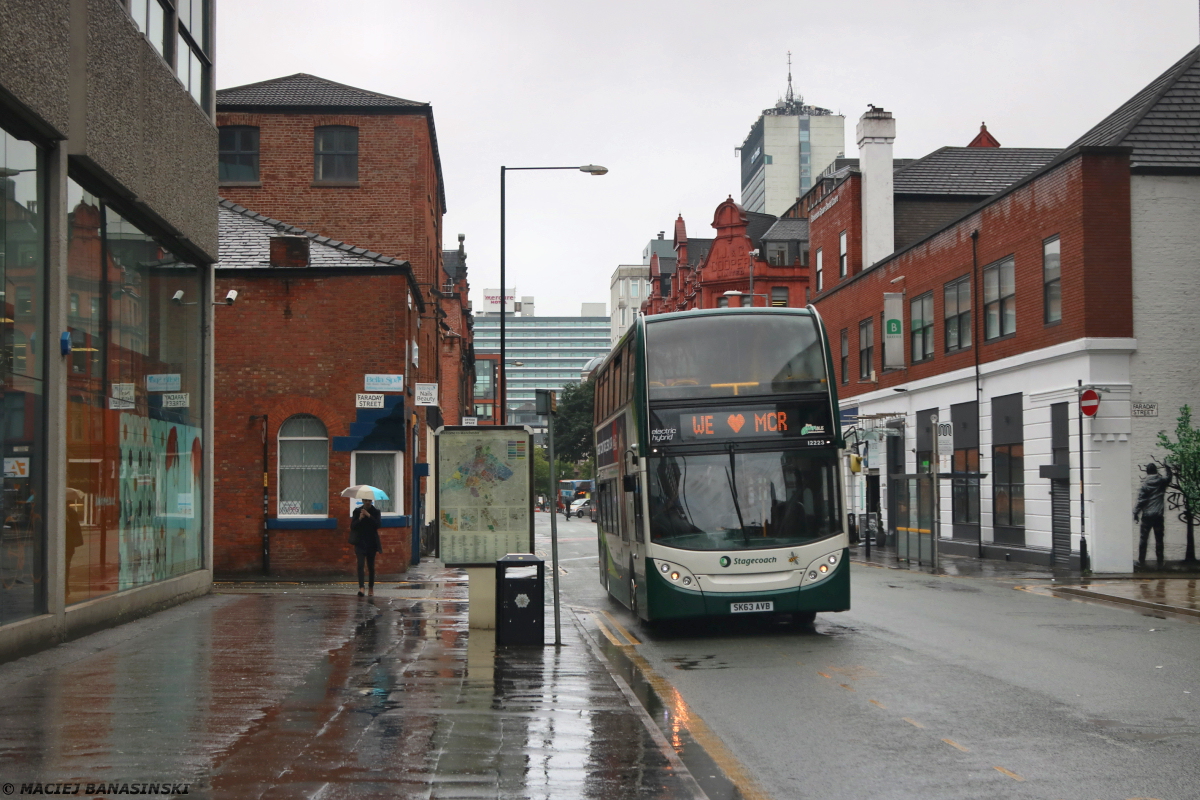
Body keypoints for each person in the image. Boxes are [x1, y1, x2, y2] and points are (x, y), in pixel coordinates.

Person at [1133, 462, 1173, 570]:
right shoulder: (1161, 481)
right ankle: (1160, 562)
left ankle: (1141, 562)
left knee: (1143, 539)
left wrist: (1135, 513)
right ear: (1156, 471)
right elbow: (1169, 478)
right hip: (1158, 515)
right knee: (1159, 539)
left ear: (1147, 472)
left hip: (1147, 516)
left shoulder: (1144, 484)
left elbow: (1141, 500)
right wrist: (1167, 467)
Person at [351, 499, 383, 596]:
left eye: (369, 501)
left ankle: (371, 588)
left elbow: (378, 525)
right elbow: (352, 526)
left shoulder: (376, 512)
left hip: (371, 543)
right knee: (360, 565)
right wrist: (360, 518)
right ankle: (361, 588)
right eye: (365, 501)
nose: (367, 502)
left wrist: (369, 516)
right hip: (360, 542)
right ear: (363, 501)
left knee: (371, 566)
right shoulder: (357, 511)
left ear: (371, 501)